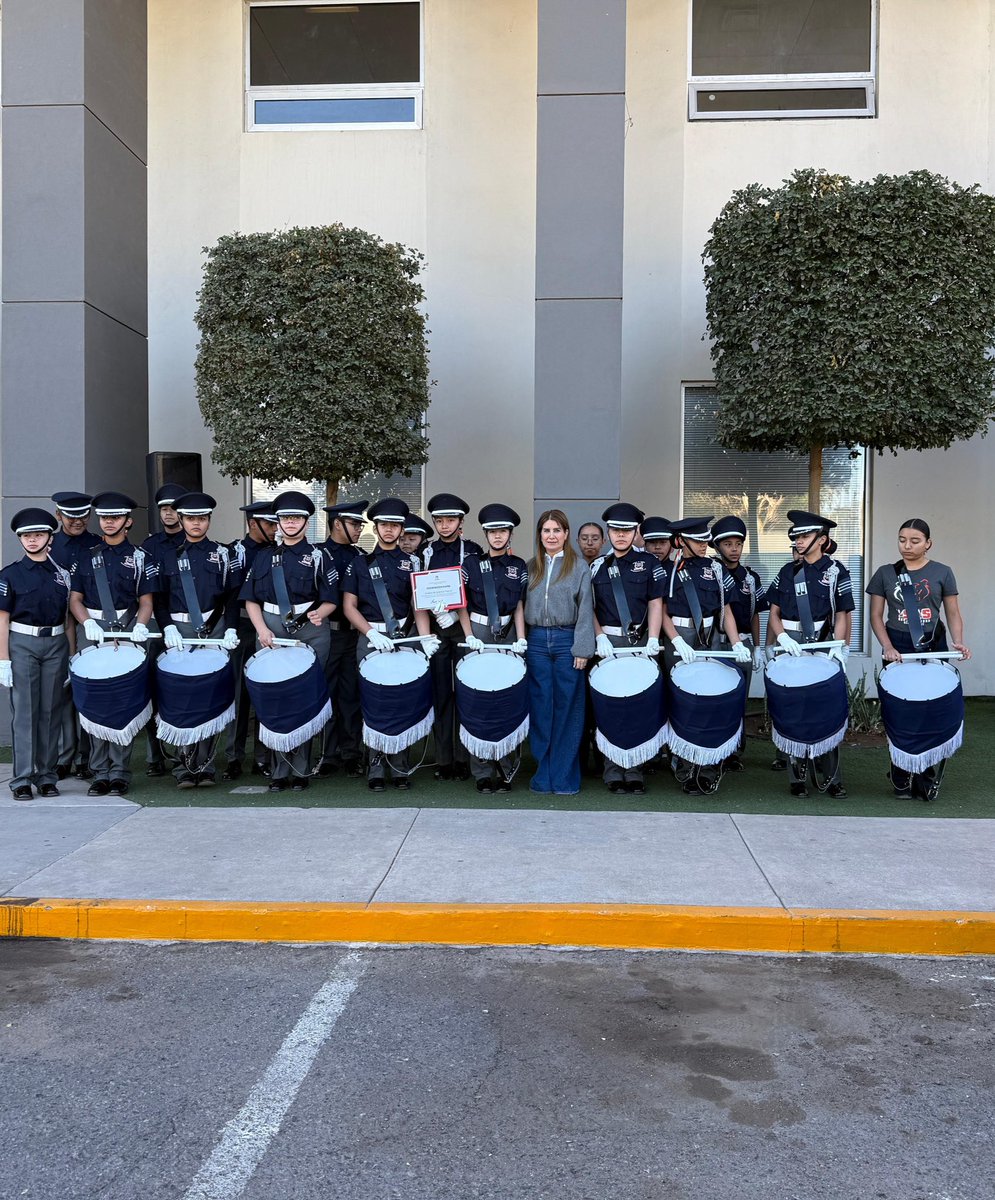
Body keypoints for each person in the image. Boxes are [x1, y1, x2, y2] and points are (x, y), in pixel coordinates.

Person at [241, 491, 339, 792]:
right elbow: (250, 600)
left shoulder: (320, 556)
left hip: (309, 632)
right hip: (271, 630)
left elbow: (331, 599)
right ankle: (278, 768)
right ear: (278, 522)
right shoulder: (263, 557)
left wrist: (319, 613)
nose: (290, 522)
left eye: (296, 518)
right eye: (285, 518)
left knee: (304, 697)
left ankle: (301, 768)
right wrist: (261, 630)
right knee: (275, 698)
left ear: (306, 522)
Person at [867, 517, 971, 801]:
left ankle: (926, 772)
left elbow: (952, 612)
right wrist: (887, 646)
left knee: (929, 710)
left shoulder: (943, 572)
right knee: (900, 711)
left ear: (928, 543)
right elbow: (876, 616)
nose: (907, 546)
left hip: (933, 645)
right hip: (898, 646)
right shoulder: (885, 573)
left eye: (914, 541)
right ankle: (900, 773)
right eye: (902, 540)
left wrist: (957, 642)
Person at [341, 497, 439, 791]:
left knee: (402, 701)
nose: (389, 530)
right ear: (376, 526)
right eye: (384, 524)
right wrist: (370, 633)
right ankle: (375, 764)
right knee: (374, 702)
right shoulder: (359, 562)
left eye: (395, 525)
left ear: (401, 528)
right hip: (371, 640)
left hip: (404, 637)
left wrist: (423, 639)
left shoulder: (413, 562)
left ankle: (400, 765)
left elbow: (417, 604)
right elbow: (349, 606)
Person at [67, 492, 157, 797]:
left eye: (115, 517)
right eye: (105, 517)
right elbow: (75, 599)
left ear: (128, 521)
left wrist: (140, 626)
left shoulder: (141, 557)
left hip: (127, 631)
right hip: (92, 632)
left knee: (123, 700)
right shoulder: (85, 556)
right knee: (94, 699)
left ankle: (119, 771)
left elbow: (145, 601)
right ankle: (99, 771)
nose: (109, 522)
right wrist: (85, 622)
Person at [153, 492, 243, 788]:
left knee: (209, 696)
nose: (196, 523)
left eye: (201, 519)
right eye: (190, 518)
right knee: (182, 697)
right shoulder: (167, 556)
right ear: (180, 519)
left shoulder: (224, 553)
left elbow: (231, 596)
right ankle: (184, 766)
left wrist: (230, 628)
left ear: (208, 521)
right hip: (180, 631)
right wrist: (167, 627)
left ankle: (205, 766)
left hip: (214, 631)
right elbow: (159, 599)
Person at [766, 509, 854, 799]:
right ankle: (797, 776)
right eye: (796, 537)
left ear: (822, 539)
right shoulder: (787, 572)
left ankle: (832, 777)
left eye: (804, 536)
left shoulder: (836, 571)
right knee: (794, 711)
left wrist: (838, 648)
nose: (799, 541)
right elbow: (774, 613)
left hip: (822, 647)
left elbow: (843, 614)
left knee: (824, 713)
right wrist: (778, 638)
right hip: (790, 646)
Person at [661, 516, 752, 795]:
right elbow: (661, 611)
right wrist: (676, 641)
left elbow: (726, 611)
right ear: (681, 542)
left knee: (711, 702)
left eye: (705, 540)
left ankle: (709, 765)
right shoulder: (668, 570)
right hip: (681, 640)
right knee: (683, 704)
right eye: (697, 540)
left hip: (711, 639)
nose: (704, 545)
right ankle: (685, 763)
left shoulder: (716, 568)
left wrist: (736, 642)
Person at [591, 502, 665, 796]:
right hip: (609, 644)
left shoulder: (649, 564)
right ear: (608, 533)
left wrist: (654, 638)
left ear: (636, 532)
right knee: (610, 707)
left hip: (639, 643)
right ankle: (612, 770)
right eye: (615, 530)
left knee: (637, 707)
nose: (620, 536)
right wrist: (599, 637)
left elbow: (655, 603)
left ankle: (634, 769)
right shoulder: (597, 566)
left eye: (626, 530)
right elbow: (590, 607)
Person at [0, 509, 72, 800]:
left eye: (38, 535)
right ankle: (21, 778)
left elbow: (67, 618)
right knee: (25, 713)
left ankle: (46, 776)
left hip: (55, 644)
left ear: (49, 538)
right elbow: (2, 618)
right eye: (26, 536)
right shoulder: (10, 574)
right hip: (22, 643)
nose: (32, 540)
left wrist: (71, 655)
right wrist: (3, 659)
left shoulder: (62, 575)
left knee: (51, 712)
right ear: (20, 539)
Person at [524, 509, 595, 796]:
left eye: (556, 530)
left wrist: (582, 648)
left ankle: (565, 777)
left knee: (568, 708)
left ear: (566, 534)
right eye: (546, 531)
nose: (551, 536)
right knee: (541, 708)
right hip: (537, 641)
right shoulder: (531, 567)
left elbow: (587, 610)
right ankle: (543, 775)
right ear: (540, 536)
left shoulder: (579, 568)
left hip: (568, 641)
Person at [459, 503, 529, 794]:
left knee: (505, 698)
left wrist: (521, 638)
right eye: (492, 532)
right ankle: (482, 770)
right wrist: (468, 635)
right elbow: (460, 602)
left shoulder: (518, 566)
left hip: (508, 633)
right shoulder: (471, 564)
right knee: (479, 700)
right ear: (485, 534)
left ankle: (505, 764)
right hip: (477, 630)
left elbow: (520, 606)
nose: (497, 536)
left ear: (510, 534)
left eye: (502, 531)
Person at [420, 493, 482, 780]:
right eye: (439, 520)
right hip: (436, 630)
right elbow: (418, 593)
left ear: (461, 522)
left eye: (450, 520)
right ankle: (444, 760)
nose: (444, 525)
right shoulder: (426, 552)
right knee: (441, 693)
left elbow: (480, 592)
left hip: (464, 629)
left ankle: (467, 758)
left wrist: (458, 614)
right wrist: (435, 617)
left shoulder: (473, 551)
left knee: (467, 694)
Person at [222, 500, 278, 780]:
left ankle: (262, 756)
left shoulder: (277, 551)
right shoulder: (237, 552)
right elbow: (232, 595)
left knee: (265, 694)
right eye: (269, 524)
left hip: (272, 626)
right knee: (238, 695)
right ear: (252, 524)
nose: (275, 528)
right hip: (243, 625)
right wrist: (230, 628)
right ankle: (234, 757)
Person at [316, 498, 371, 779]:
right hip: (328, 632)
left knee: (351, 695)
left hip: (355, 634)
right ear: (337, 524)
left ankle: (351, 754)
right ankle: (328, 754)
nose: (360, 528)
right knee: (326, 693)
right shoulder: (318, 555)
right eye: (354, 523)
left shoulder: (361, 556)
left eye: (360, 524)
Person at [710, 515, 768, 772]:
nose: (734, 549)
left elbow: (755, 613)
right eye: (728, 544)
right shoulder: (709, 573)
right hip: (713, 643)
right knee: (715, 698)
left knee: (738, 700)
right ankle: (714, 748)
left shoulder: (750, 578)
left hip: (742, 644)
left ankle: (734, 751)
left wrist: (757, 647)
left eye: (738, 544)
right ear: (717, 547)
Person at [49, 491, 100, 779]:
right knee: (62, 695)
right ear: (59, 516)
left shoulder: (96, 544)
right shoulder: (50, 544)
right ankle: (63, 756)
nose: (78, 520)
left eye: (83, 515)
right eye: (71, 515)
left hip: (87, 623)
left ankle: (87, 757)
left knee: (87, 691)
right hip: (57, 625)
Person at [140, 482, 189, 777]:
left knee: (178, 689)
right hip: (155, 625)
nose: (168, 514)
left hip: (184, 624)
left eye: (173, 508)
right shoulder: (149, 546)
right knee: (151, 689)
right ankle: (154, 753)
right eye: (163, 509)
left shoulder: (193, 539)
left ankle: (182, 753)